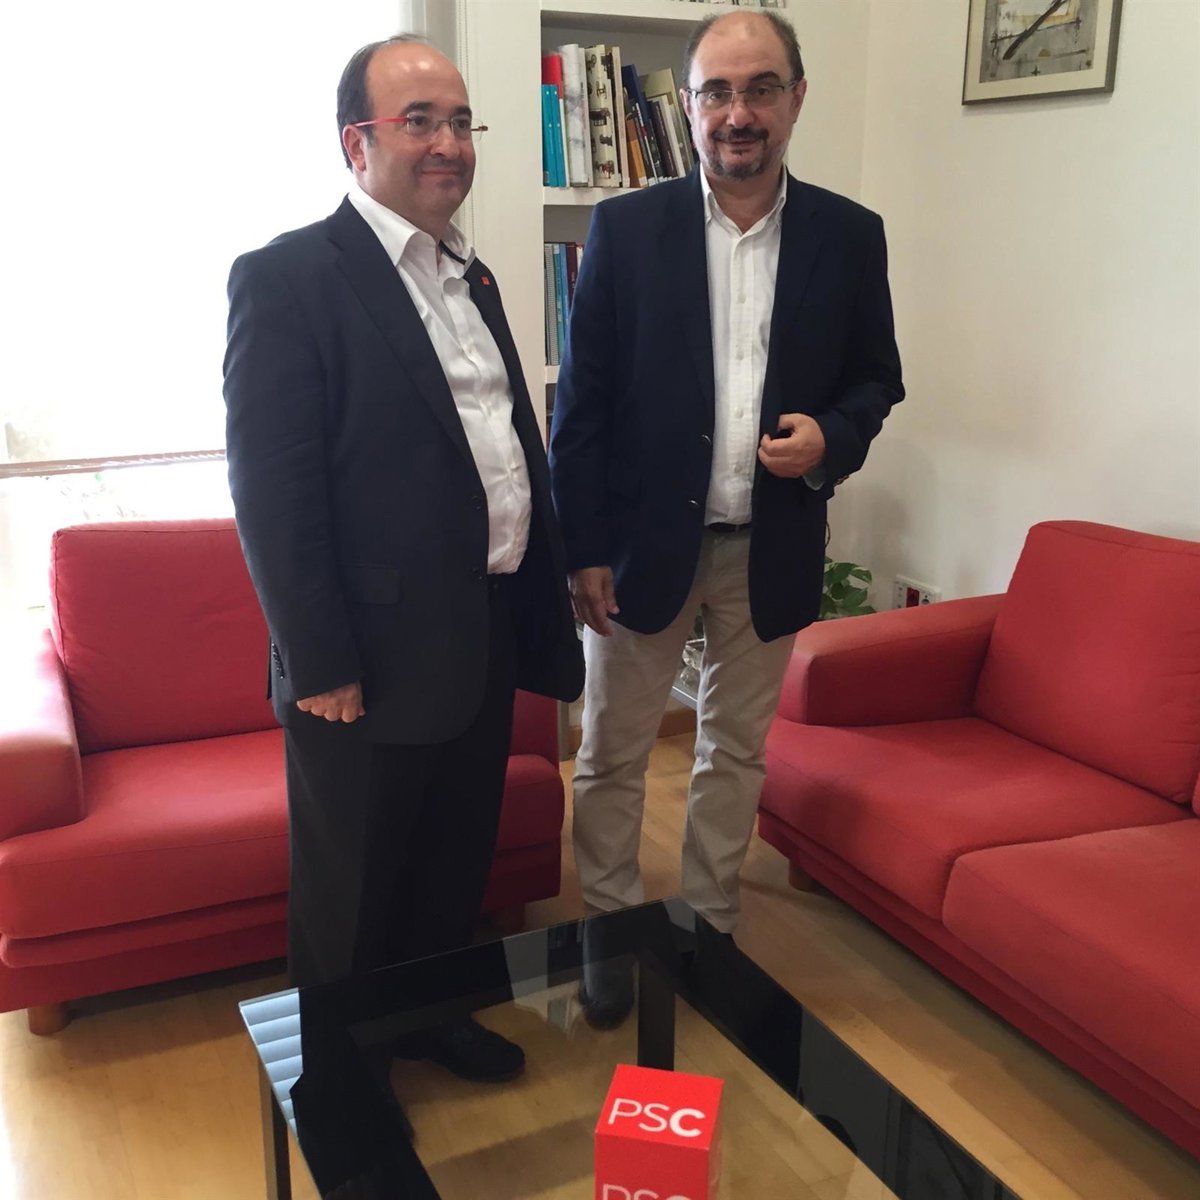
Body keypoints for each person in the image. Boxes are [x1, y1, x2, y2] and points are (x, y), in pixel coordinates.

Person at [224, 35, 583, 1081]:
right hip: (364, 666)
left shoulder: (473, 274)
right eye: (419, 120)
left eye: (461, 122)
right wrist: (320, 658)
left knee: (450, 864)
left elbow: (503, 444)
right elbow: (273, 493)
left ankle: (432, 1020)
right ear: (357, 143)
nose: (448, 143)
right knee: (350, 892)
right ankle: (338, 1083)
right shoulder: (290, 279)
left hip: (480, 634)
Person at [549, 10, 903, 1026]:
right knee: (612, 752)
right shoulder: (626, 230)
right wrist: (583, 549)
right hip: (640, 549)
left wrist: (833, 436)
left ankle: (709, 926)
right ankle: (610, 929)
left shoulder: (849, 234)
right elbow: (583, 406)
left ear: (796, 98)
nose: (737, 113)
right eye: (717, 92)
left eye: (760, 89)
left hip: (772, 543)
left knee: (734, 752)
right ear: (692, 103)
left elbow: (876, 379)